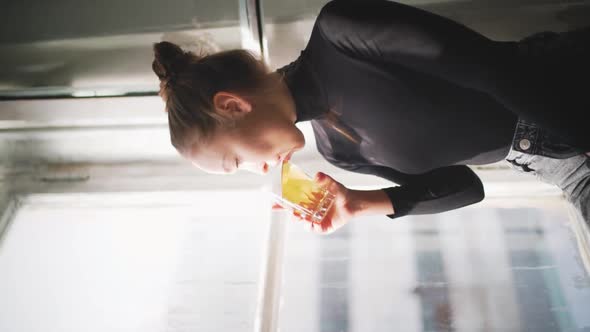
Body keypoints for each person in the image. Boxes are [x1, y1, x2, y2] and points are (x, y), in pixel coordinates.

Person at [151, 0, 590, 235]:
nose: (259, 170)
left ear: (232, 105)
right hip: (566, 168)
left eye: (237, 161)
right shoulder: (338, 152)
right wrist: (360, 204)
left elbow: (492, 68)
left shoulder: (341, 32)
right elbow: (466, 188)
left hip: (568, 82)